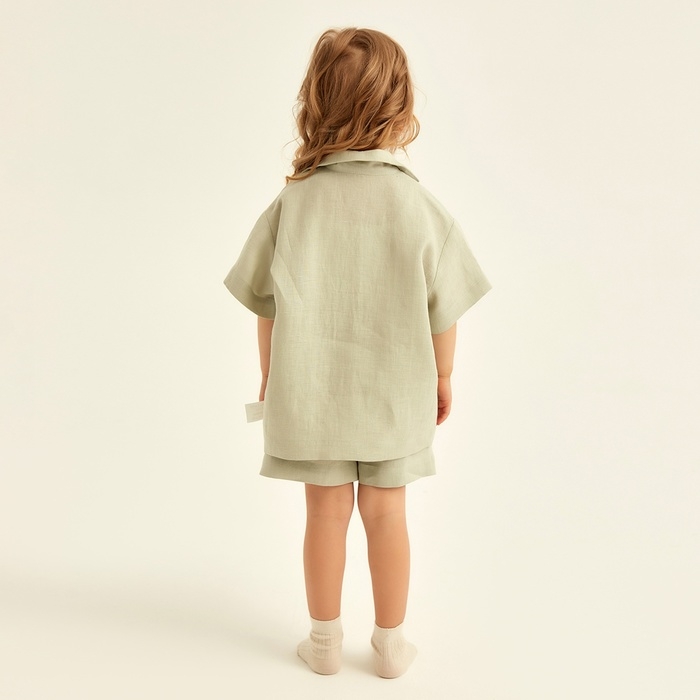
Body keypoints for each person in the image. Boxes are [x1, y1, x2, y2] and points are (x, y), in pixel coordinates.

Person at [223, 27, 491, 678]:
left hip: (312, 393)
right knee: (388, 513)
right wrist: (444, 376)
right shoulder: (418, 205)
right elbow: (444, 309)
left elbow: (266, 307)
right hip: (396, 393)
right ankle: (391, 644)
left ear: (315, 101)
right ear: (400, 105)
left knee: (324, 513)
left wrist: (271, 378)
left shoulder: (294, 202)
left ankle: (323, 642)